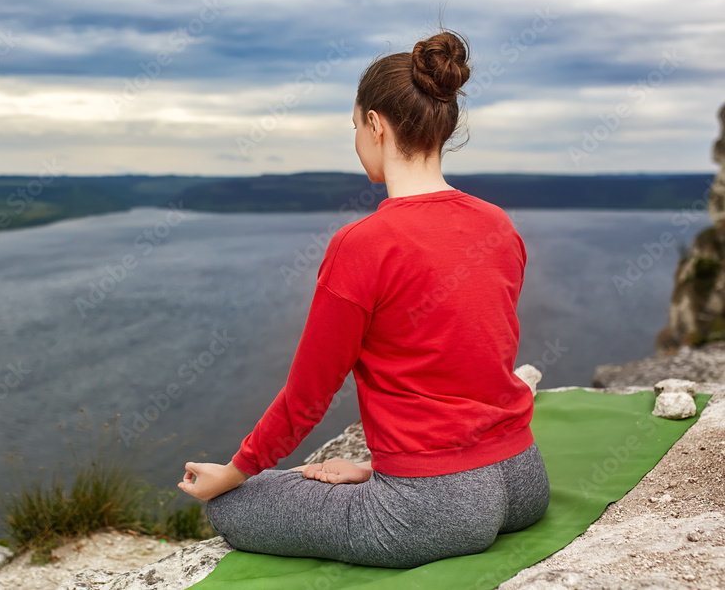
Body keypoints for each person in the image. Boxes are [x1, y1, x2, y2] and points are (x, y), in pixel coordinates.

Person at [176, 29, 550, 569]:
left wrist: (234, 471)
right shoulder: (497, 224)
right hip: (521, 478)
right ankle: (385, 482)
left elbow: (307, 399)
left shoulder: (362, 245)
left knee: (231, 509)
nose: (355, 141)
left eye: (354, 127)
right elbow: (469, 357)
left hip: (431, 509)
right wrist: (381, 469)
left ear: (375, 125)